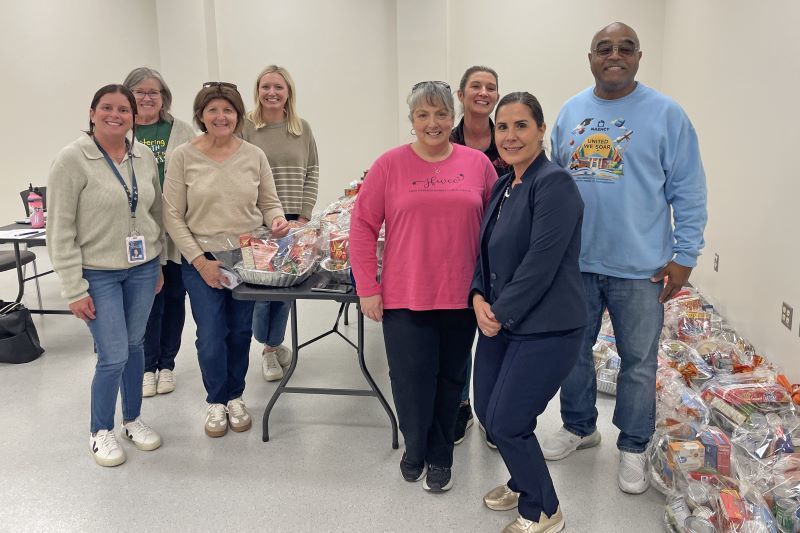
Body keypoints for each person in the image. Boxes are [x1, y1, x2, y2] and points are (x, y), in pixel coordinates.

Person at [545, 22, 708, 494]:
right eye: (604, 48)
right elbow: (554, 187)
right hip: (577, 262)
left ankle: (634, 445)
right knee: (572, 352)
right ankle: (579, 426)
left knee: (638, 362)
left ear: (638, 56)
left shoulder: (667, 114)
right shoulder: (571, 111)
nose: (614, 55)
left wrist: (685, 255)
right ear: (590, 58)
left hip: (642, 269)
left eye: (625, 48)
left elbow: (689, 189)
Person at [350, 81, 497, 493]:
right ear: (412, 120)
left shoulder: (477, 164)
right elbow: (362, 226)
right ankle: (415, 444)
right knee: (410, 379)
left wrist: (491, 288)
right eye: (423, 115)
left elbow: (495, 229)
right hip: (405, 294)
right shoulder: (389, 165)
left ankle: (441, 455)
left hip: (461, 294)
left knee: (450, 379)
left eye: (441, 114)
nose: (433, 123)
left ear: (453, 117)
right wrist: (367, 287)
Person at [471, 92, 586, 533]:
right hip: (500, 319)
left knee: (509, 420)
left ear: (541, 130)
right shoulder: (504, 186)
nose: (510, 135)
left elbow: (542, 263)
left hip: (548, 325)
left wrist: (498, 311)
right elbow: (484, 252)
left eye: (521, 125)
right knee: (488, 411)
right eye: (502, 127)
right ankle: (522, 481)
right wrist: (477, 297)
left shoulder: (554, 184)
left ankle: (543, 508)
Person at [163, 82, 289, 437]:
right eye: (213, 110)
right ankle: (216, 400)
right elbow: (172, 215)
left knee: (240, 331)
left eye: (228, 110)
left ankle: (236, 396)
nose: (221, 117)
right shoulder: (183, 156)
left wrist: (277, 220)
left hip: (246, 256)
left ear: (238, 115)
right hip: (201, 258)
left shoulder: (254, 155)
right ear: (201, 115)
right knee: (210, 334)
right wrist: (201, 262)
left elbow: (269, 202)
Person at [48, 84, 165, 467]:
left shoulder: (143, 156)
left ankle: (132, 420)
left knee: (135, 346)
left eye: (123, 110)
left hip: (143, 268)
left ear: (134, 117)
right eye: (107, 108)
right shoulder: (72, 159)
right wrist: (73, 288)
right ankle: (100, 430)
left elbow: (155, 213)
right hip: (97, 274)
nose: (115, 115)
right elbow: (60, 230)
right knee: (113, 354)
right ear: (92, 113)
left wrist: (159, 263)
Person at [242, 65, 319, 382]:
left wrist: (303, 216)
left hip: (292, 222)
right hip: (258, 221)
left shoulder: (301, 128)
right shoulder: (245, 127)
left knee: (286, 290)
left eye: (278, 87)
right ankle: (268, 343)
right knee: (262, 291)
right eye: (265, 87)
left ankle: (271, 347)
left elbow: (312, 171)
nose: (271, 93)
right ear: (257, 91)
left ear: (288, 92)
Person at [123, 67, 195, 398]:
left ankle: (167, 364)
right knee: (147, 300)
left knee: (174, 298)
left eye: (154, 92)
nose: (147, 98)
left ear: (164, 97)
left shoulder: (181, 130)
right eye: (140, 92)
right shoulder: (121, 130)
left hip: (176, 231)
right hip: (138, 232)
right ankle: (146, 366)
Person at [449, 65, 506, 444]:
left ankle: (493, 411)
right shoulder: (445, 140)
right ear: (461, 94)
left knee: (495, 335)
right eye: (475, 86)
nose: (483, 92)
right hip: (456, 252)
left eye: (490, 87)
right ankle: (461, 405)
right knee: (458, 338)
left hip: (502, 257)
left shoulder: (508, 139)